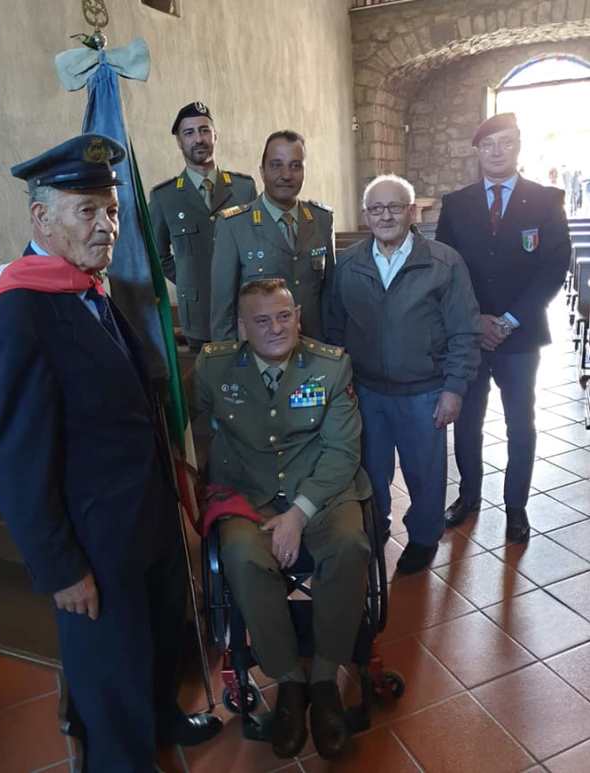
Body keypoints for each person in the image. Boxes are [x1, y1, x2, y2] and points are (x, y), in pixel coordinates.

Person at [0, 134, 221, 773]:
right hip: (94, 541)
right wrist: (60, 567)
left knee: (157, 638)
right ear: (41, 217)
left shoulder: (85, 287)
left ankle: (163, 717)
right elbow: (15, 461)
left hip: (146, 518)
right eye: (87, 211)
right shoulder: (21, 312)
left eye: (111, 210)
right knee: (111, 671)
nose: (108, 225)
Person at [195, 278, 370, 760]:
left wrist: (298, 513)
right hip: (247, 495)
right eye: (262, 320)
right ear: (241, 327)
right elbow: (196, 428)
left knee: (350, 546)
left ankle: (325, 680)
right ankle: (289, 681)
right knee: (242, 557)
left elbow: (342, 451)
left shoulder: (330, 366)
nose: (276, 328)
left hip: (320, 491)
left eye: (284, 316)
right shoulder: (213, 367)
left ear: (297, 316)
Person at [327, 175, 480, 574]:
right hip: (366, 392)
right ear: (366, 215)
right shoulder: (348, 264)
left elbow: (464, 331)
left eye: (395, 207)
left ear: (412, 212)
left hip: (424, 391)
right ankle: (375, 526)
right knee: (369, 472)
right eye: (376, 209)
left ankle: (424, 538)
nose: (385, 216)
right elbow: (334, 330)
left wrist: (454, 389)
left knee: (425, 474)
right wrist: (340, 385)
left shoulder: (444, 262)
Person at [435, 113, 570, 542]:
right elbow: (444, 269)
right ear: (477, 151)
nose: (497, 151)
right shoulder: (456, 204)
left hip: (521, 336)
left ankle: (516, 507)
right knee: (466, 422)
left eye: (506, 142)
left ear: (518, 146)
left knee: (520, 424)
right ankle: (468, 496)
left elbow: (554, 267)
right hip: (469, 336)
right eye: (488, 144)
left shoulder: (546, 200)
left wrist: (509, 320)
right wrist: (474, 320)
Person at [149, 101, 256, 351]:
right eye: (189, 133)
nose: (198, 139)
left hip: (243, 311)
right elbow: (158, 255)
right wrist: (190, 281)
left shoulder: (244, 188)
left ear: (215, 135)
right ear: (179, 141)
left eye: (204, 130)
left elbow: (255, 244)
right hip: (198, 316)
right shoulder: (165, 196)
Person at [210, 130, 334, 341]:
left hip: (314, 348)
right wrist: (229, 357)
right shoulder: (234, 225)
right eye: (276, 165)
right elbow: (223, 310)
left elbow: (330, 296)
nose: (286, 175)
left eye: (295, 166)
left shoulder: (321, 219)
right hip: (260, 351)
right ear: (262, 171)